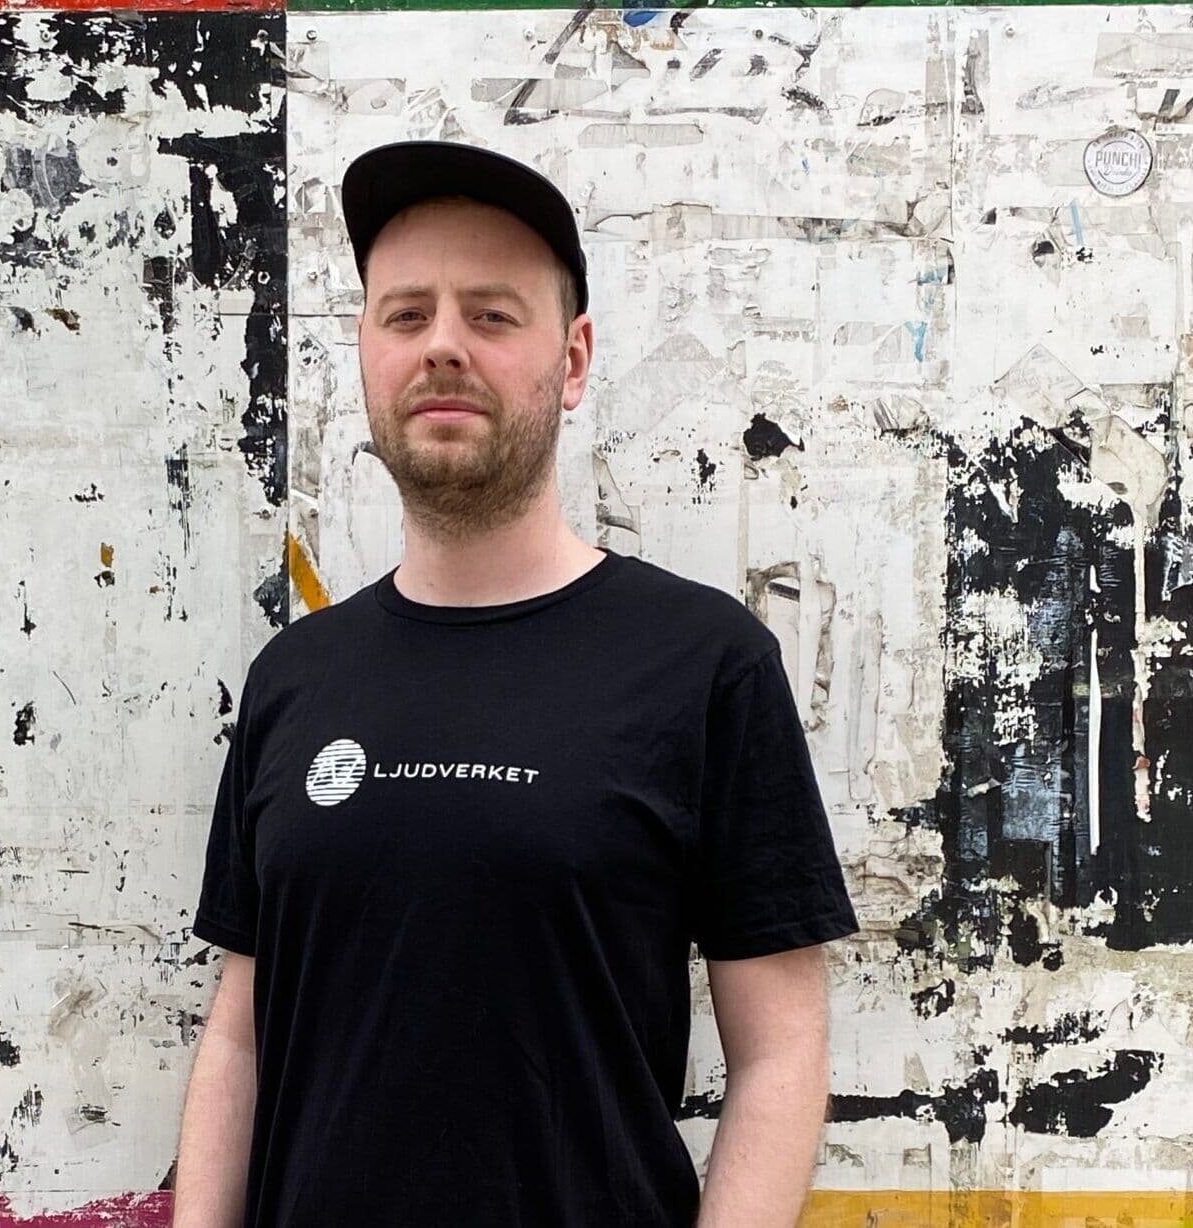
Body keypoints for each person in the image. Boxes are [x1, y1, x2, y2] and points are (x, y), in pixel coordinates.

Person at [172, 140, 859, 1228]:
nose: (442, 344)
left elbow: (780, 1050)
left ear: (573, 360)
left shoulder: (704, 662)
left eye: (491, 315)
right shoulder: (295, 677)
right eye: (406, 314)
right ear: (366, 353)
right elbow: (243, 1033)